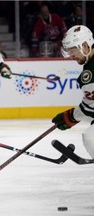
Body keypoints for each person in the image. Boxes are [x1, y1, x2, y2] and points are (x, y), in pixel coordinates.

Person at [52, 25, 94, 158]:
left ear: (85, 46)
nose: (71, 55)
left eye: (73, 50)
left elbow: (90, 108)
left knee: (91, 138)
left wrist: (72, 117)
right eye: (69, 51)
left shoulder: (89, 75)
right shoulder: (89, 68)